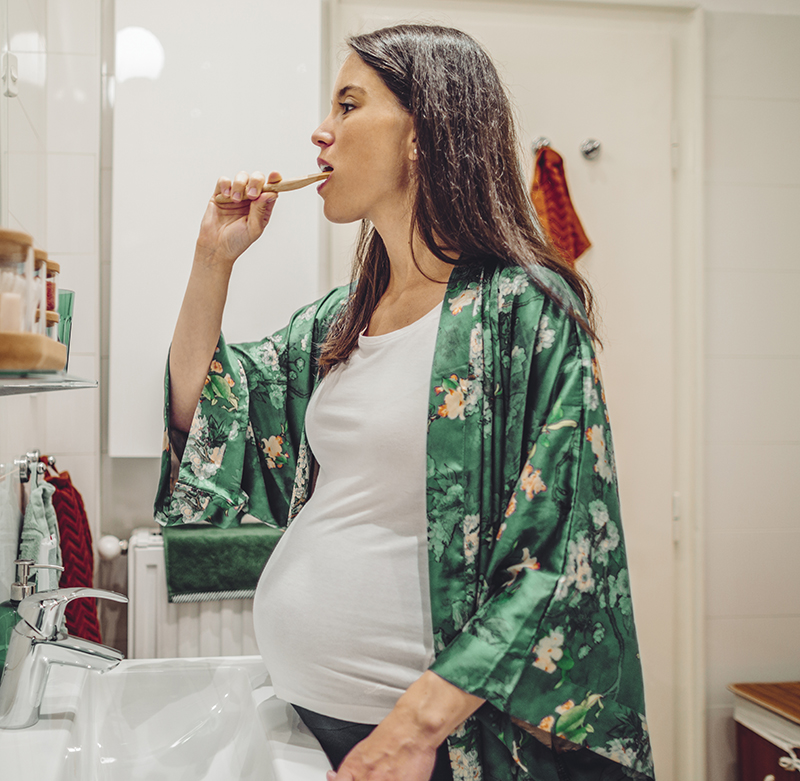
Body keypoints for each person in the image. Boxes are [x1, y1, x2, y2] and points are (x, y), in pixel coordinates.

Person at [155, 23, 655, 781]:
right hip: (313, 716)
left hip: (431, 746)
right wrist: (210, 261)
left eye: (349, 105)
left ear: (424, 134)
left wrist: (415, 728)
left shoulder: (524, 311)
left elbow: (563, 554)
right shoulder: (339, 319)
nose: (321, 132)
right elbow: (210, 421)